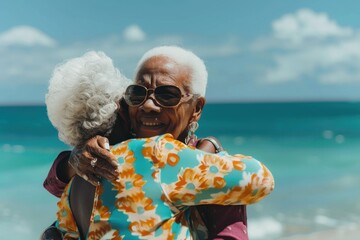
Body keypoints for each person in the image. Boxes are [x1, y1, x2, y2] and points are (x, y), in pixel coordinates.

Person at [43, 46, 272, 239]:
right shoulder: (111, 159)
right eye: (136, 94)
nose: (148, 106)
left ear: (197, 108)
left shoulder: (199, 162)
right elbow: (261, 179)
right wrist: (74, 160)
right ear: (123, 105)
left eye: (167, 95)